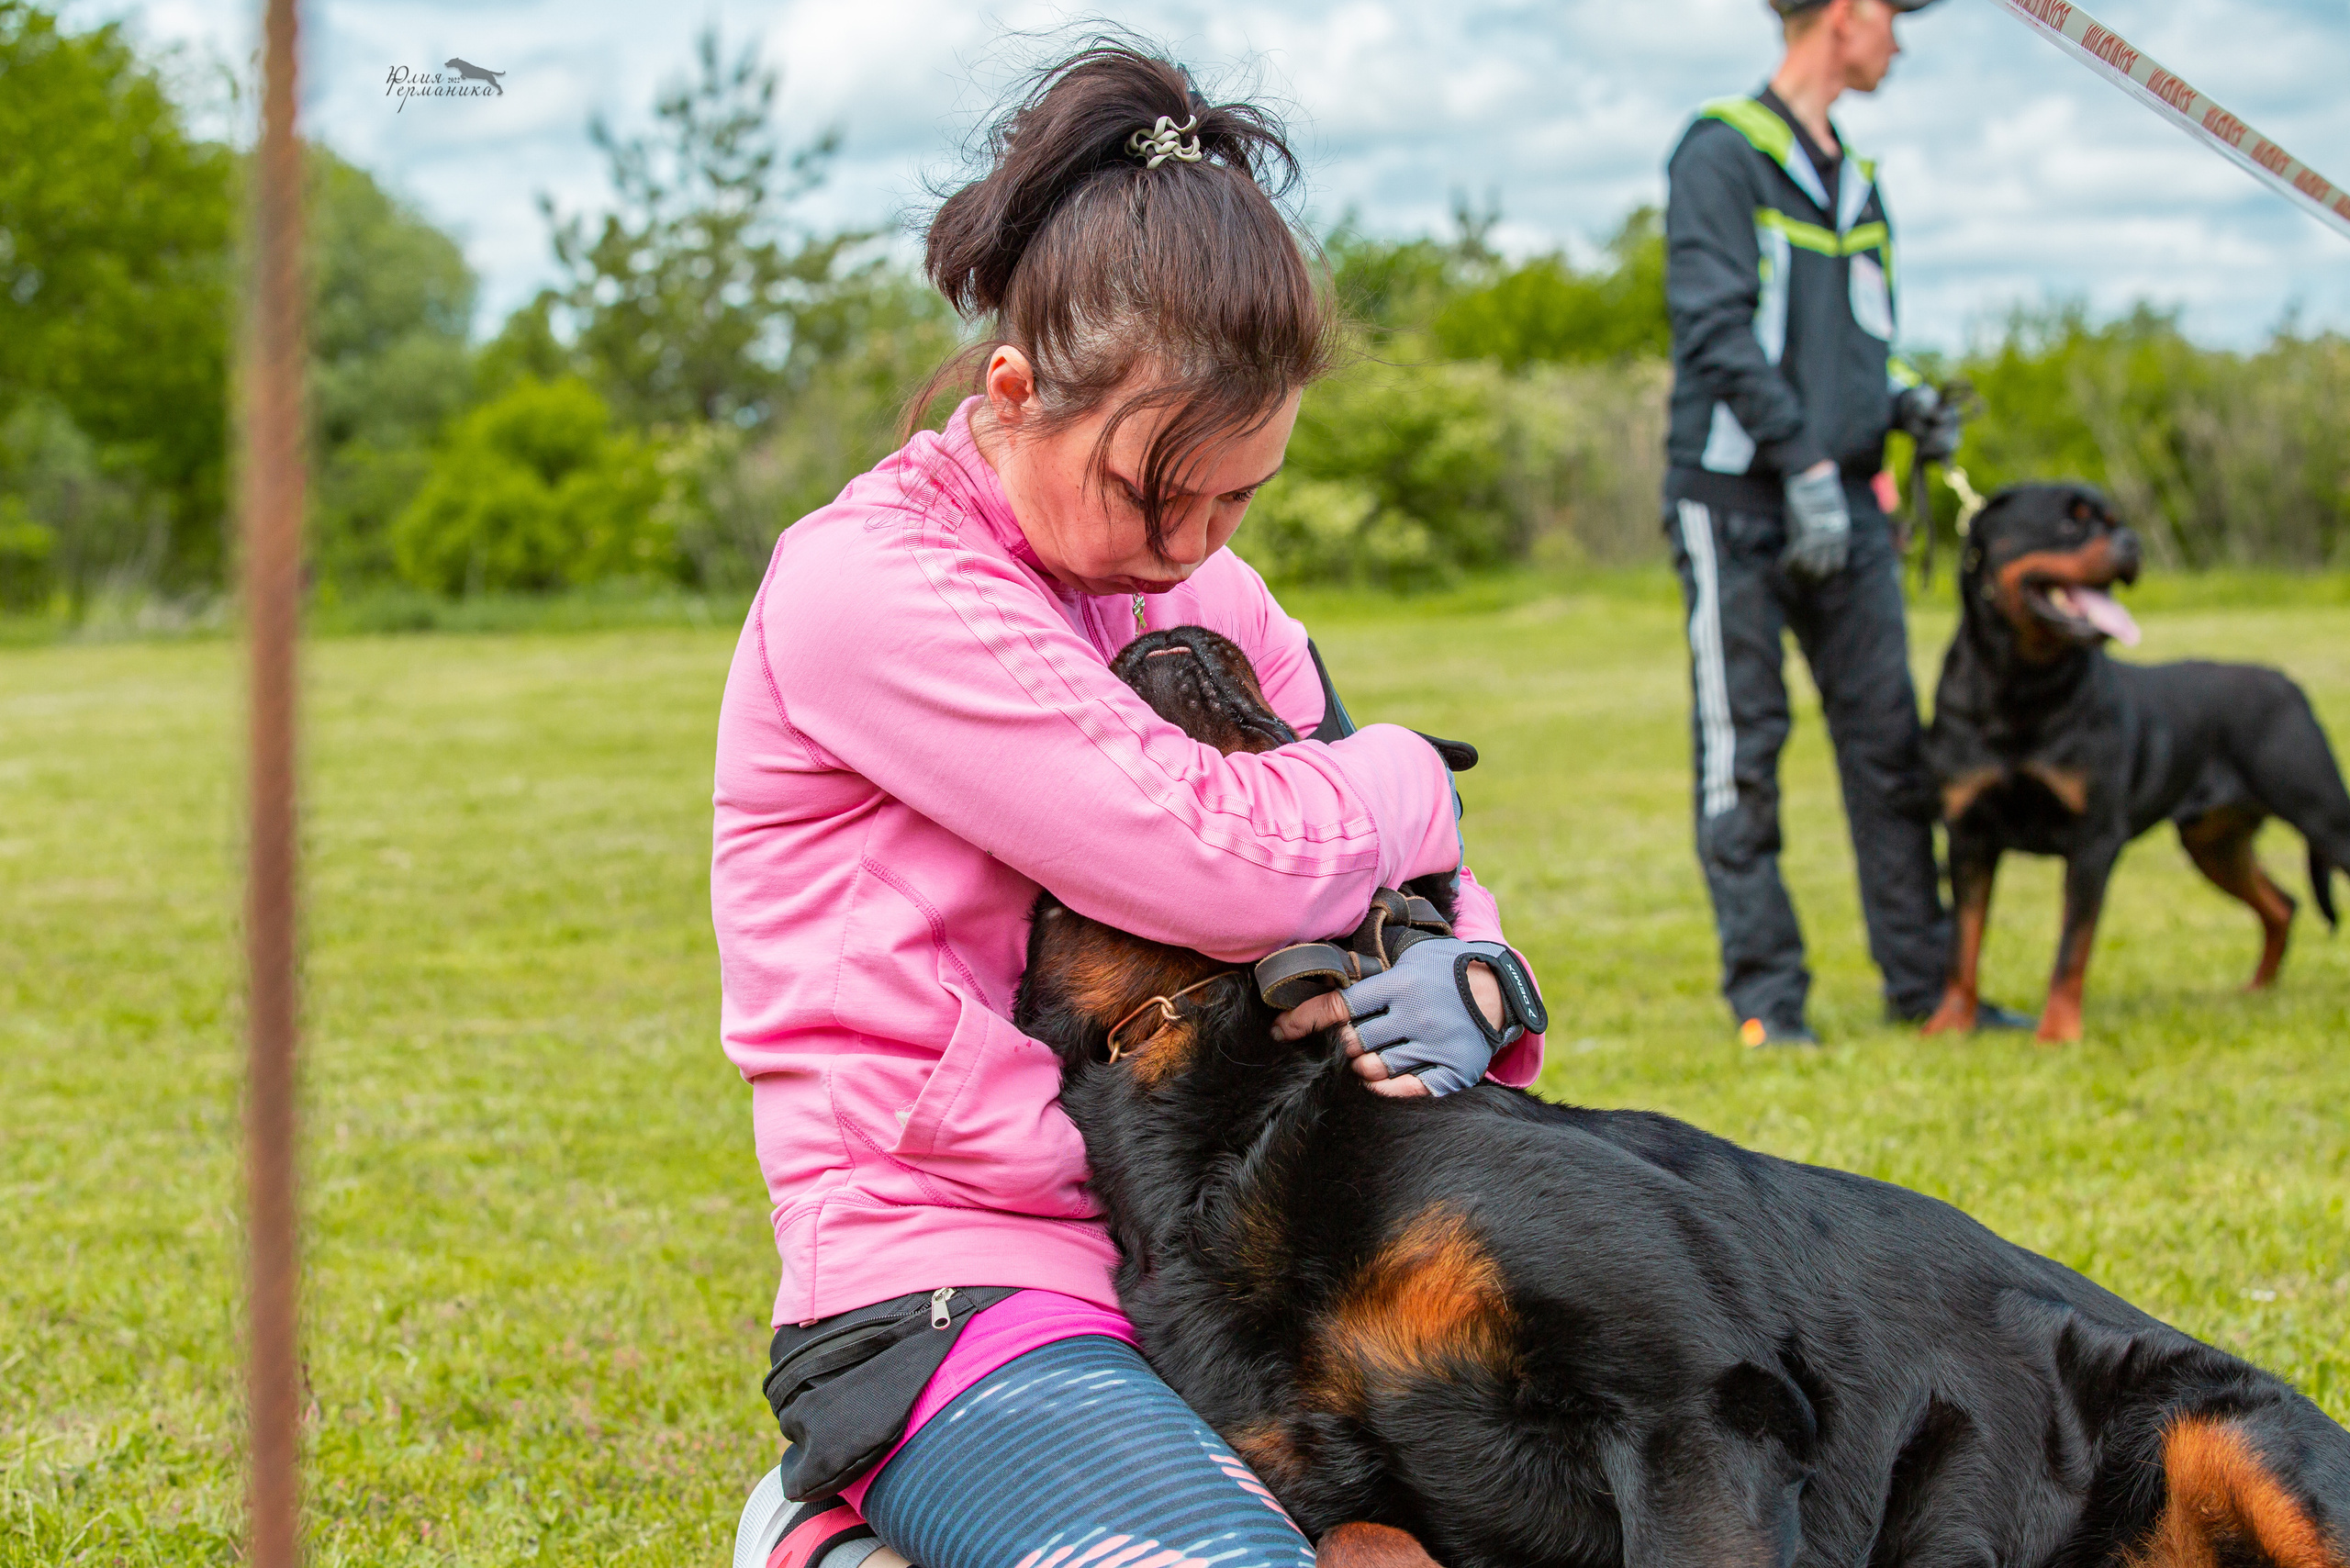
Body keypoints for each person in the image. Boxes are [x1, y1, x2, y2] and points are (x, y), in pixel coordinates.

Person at [713, 45, 1547, 1568]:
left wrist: (1475, 967)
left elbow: (1392, 873)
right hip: (960, 1278)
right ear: (1015, 391)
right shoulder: (870, 587)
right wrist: (1414, 773)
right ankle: (828, 1523)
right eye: (1153, 492)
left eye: (1238, 496)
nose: (1191, 546)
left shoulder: (1213, 587)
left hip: (1244, 1249)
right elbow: (1225, 856)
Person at [1661, 0, 2023, 1045]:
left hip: (1850, 506)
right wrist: (1802, 458)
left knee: (1888, 748)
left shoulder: (1857, 180)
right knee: (1744, 749)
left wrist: (1904, 399)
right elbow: (1714, 330)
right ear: (1846, 13)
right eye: (1893, 17)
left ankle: (1926, 987)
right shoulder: (1721, 153)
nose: (1900, 39)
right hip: (1734, 500)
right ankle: (1768, 1004)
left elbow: (1862, 341)